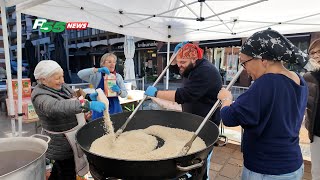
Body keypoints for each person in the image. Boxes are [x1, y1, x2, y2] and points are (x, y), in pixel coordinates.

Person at [217, 29, 308, 180]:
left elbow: (229, 117)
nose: (245, 71)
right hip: (293, 164)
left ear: (263, 59)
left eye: (244, 63)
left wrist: (226, 99)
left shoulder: (266, 83)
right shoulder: (298, 79)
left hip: (266, 169)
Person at [145, 42, 222, 179]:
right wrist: (176, 55)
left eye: (183, 62)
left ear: (194, 59)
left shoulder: (205, 71)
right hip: (193, 119)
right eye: (178, 61)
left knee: (200, 161)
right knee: (188, 157)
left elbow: (183, 96)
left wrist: (156, 93)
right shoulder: (189, 67)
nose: (179, 65)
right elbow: (173, 67)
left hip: (206, 123)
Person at [31, 60, 106, 180]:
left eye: (62, 76)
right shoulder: (40, 96)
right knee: (67, 172)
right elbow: (56, 107)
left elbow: (73, 97)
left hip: (73, 137)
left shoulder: (61, 87)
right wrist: (86, 105)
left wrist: (87, 98)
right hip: (61, 143)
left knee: (60, 169)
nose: (62, 80)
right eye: (57, 78)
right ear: (43, 79)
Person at [77, 53, 128, 120]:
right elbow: (80, 74)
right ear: (103, 64)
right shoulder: (97, 76)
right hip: (100, 108)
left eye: (114, 62)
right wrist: (97, 70)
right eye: (109, 62)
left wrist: (119, 91)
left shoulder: (118, 77)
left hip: (115, 108)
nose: (112, 64)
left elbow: (124, 94)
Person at [303, 38, 320, 180]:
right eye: (312, 53)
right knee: (317, 171)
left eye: (319, 52)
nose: (315, 55)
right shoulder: (308, 77)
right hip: (317, 131)